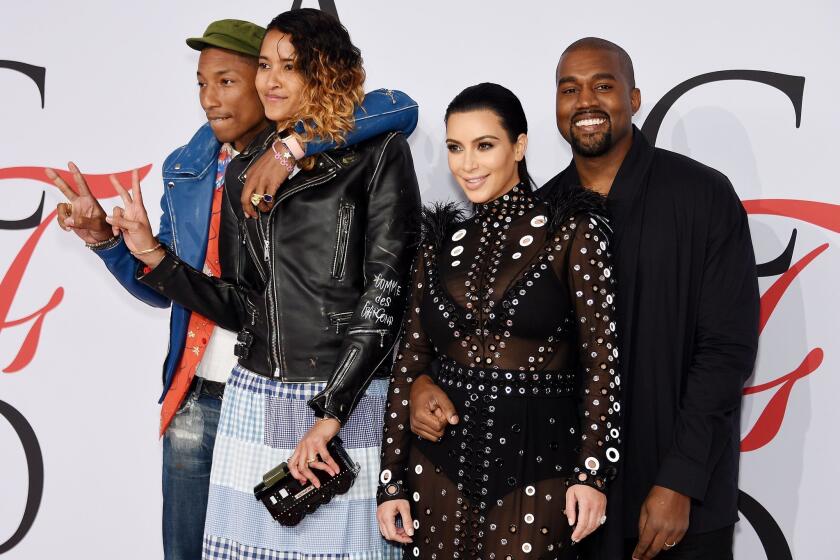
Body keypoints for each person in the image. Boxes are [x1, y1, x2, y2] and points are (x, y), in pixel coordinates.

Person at [46, 17, 419, 560]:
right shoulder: (233, 170)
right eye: (265, 66)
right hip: (253, 390)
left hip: (340, 396)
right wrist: (144, 251)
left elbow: (384, 295)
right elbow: (245, 303)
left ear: (325, 73)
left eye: (287, 67)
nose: (269, 80)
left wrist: (331, 410)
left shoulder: (376, 151)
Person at [409, 39, 760, 560]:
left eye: (603, 85)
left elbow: (726, 350)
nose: (585, 101)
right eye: (569, 89)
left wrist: (680, 480)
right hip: (569, 501)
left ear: (634, 98)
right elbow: (491, 346)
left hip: (675, 494)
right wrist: (422, 381)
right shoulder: (540, 215)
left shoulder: (702, 196)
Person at [376, 82, 621, 559]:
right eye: (455, 147)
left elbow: (602, 364)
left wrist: (592, 473)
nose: (467, 164)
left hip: (541, 472)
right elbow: (408, 364)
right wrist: (391, 482)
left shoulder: (572, 231)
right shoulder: (439, 243)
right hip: (437, 472)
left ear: (520, 146)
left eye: (484, 145)